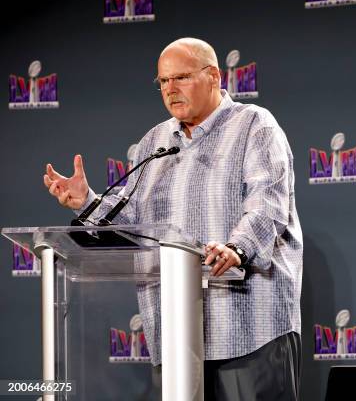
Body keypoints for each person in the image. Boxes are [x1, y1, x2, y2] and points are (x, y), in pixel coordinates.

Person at [43, 37, 303, 400]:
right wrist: (84, 200)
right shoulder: (155, 142)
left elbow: (268, 203)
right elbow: (129, 219)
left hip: (247, 327)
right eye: (163, 81)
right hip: (175, 331)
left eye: (180, 77)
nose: (170, 89)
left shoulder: (254, 125)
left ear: (213, 75)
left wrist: (236, 248)